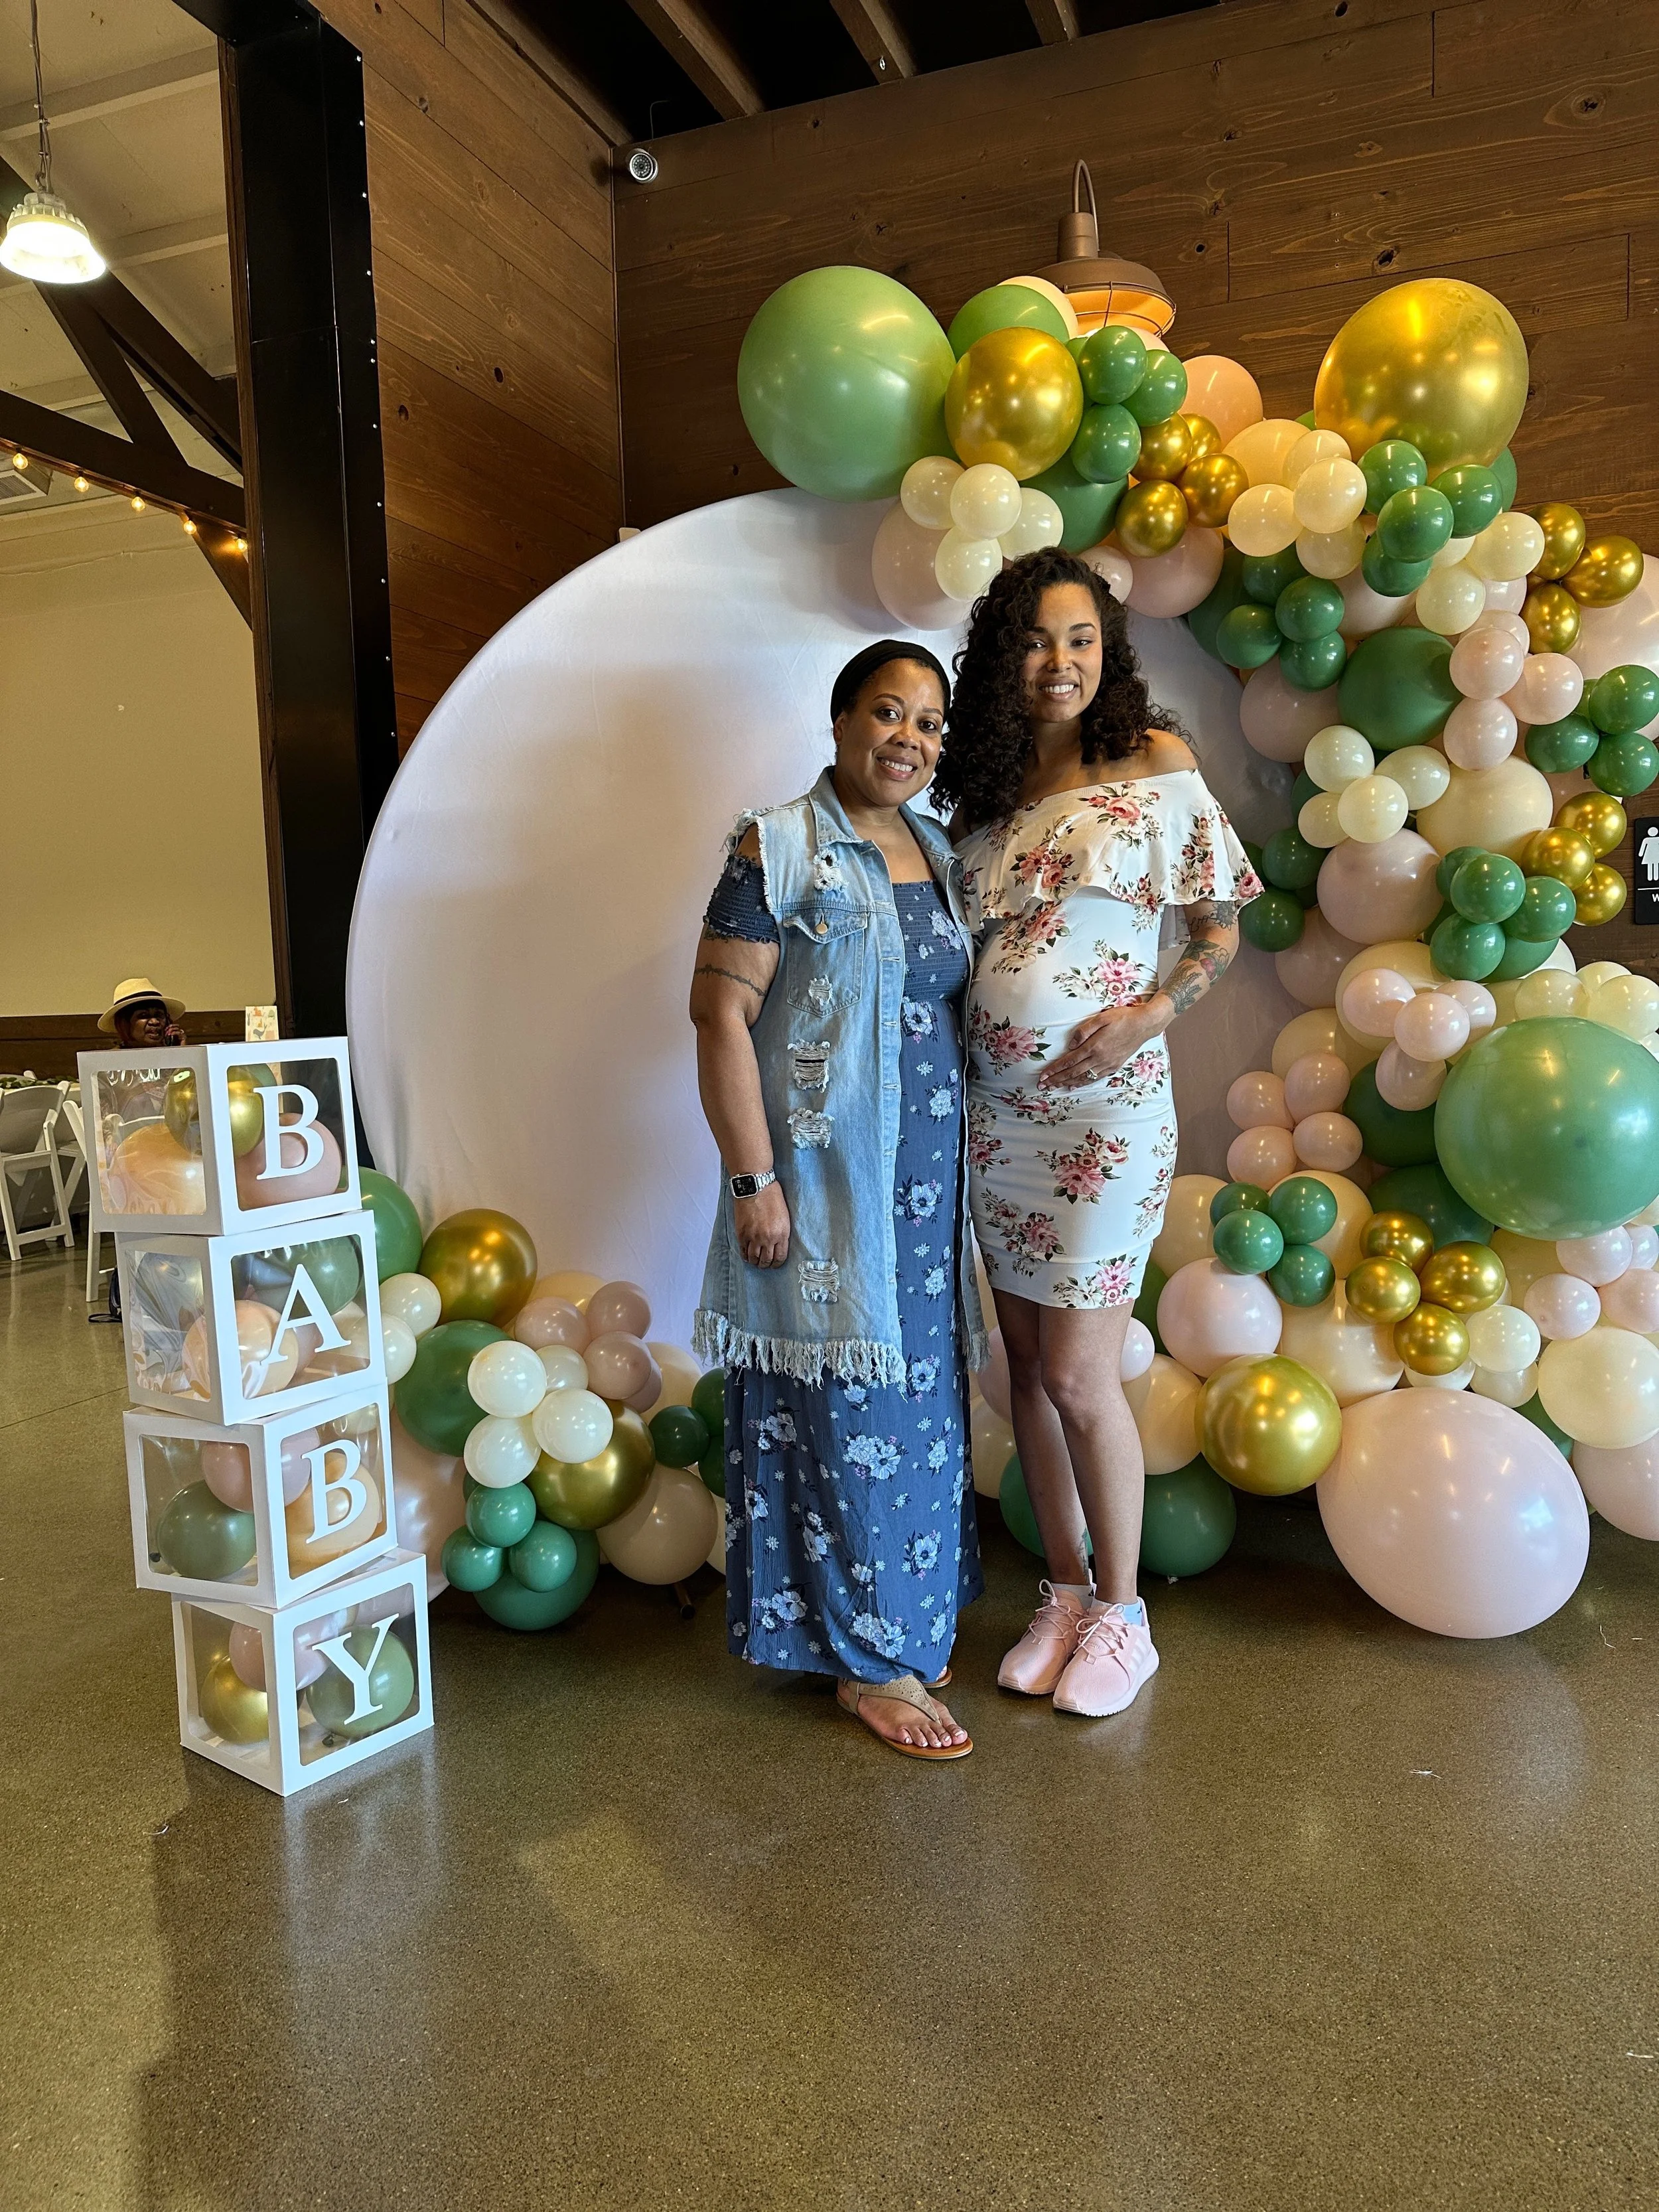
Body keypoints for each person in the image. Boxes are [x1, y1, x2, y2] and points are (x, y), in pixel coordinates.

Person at [938, 548, 1262, 1720]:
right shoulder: (982, 794)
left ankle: (1125, 1616)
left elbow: (1218, 931)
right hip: (997, 1119)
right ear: (1001, 658)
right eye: (1034, 640)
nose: (1058, 662)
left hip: (1105, 1118)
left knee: (1079, 1373)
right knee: (1019, 1368)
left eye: (1079, 639)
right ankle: (1064, 1592)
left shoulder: (1156, 764)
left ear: (1107, 653)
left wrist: (1146, 1015)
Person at [691, 641, 987, 1761]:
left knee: (918, 1409)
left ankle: (898, 1620)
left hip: (924, 1195)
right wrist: (753, 1178)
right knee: (843, 1414)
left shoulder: (939, 848)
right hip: (821, 1188)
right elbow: (718, 1016)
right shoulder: (776, 846)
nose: (907, 737)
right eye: (886, 711)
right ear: (838, 718)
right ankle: (870, 1666)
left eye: (927, 721)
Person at [92, 977, 188, 1322]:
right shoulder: (106, 1069)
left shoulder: (177, 1060)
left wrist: (182, 1058)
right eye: (143, 1016)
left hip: (178, 1161)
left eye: (158, 1015)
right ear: (124, 1025)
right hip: (130, 1166)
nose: (155, 1022)